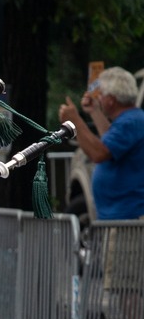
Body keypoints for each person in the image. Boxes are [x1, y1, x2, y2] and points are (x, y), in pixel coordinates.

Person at [60, 67, 144, 220]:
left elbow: (99, 153)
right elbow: (110, 143)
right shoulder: (131, 120)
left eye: (101, 95)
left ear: (111, 100)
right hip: (121, 216)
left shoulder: (130, 122)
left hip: (126, 220)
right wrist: (95, 111)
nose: (98, 98)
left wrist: (75, 122)